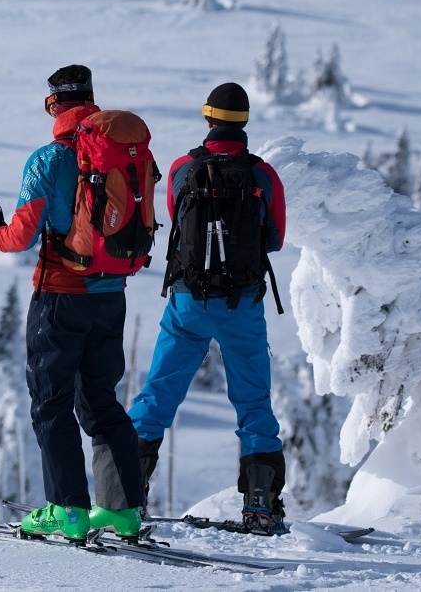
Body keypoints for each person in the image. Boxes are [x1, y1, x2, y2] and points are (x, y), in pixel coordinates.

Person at [0, 65, 145, 541]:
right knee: (102, 402)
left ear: (53, 106)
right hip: (112, 297)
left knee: (51, 402)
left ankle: (67, 510)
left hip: (60, 298)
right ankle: (123, 511)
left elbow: (21, 236)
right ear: (91, 100)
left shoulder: (47, 160)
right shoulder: (119, 155)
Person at [126, 81, 289, 534]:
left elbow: (177, 222)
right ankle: (260, 505)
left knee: (157, 395)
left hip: (187, 301)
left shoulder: (182, 168)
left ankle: (125, 496)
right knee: (254, 402)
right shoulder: (263, 175)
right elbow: (274, 238)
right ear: (245, 122)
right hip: (242, 305)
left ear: (208, 116)